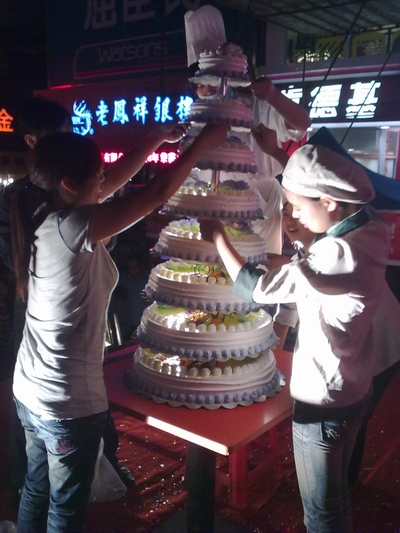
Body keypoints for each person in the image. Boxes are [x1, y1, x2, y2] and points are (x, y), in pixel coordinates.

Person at [11, 123, 228, 533]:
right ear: (70, 183)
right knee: (65, 509)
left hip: (31, 387)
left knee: (36, 489)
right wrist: (202, 143)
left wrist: (156, 138)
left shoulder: (47, 213)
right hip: (66, 402)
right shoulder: (74, 225)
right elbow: (156, 193)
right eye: (98, 176)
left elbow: (114, 182)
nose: (104, 182)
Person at [200, 143, 392, 533]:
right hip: (356, 389)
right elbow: (308, 268)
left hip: (322, 403)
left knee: (321, 514)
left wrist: (219, 237)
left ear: (329, 202)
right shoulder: (371, 228)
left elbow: (258, 288)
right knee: (337, 498)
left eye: (299, 208)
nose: (293, 216)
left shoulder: (336, 254)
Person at [0, 96, 134, 490]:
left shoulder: (65, 201)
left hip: (54, 348)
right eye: (61, 135)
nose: (69, 141)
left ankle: (97, 464)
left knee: (76, 391)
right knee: (59, 483)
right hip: (39, 322)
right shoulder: (27, 203)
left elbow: (112, 187)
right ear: (32, 142)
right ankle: (36, 477)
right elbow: (154, 194)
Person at [193, 77, 311, 254]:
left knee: (261, 262)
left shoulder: (256, 106)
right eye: (201, 85)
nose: (208, 90)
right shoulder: (197, 115)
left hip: (260, 199)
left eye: (214, 83)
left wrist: (273, 95)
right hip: (213, 203)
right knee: (214, 264)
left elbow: (302, 123)